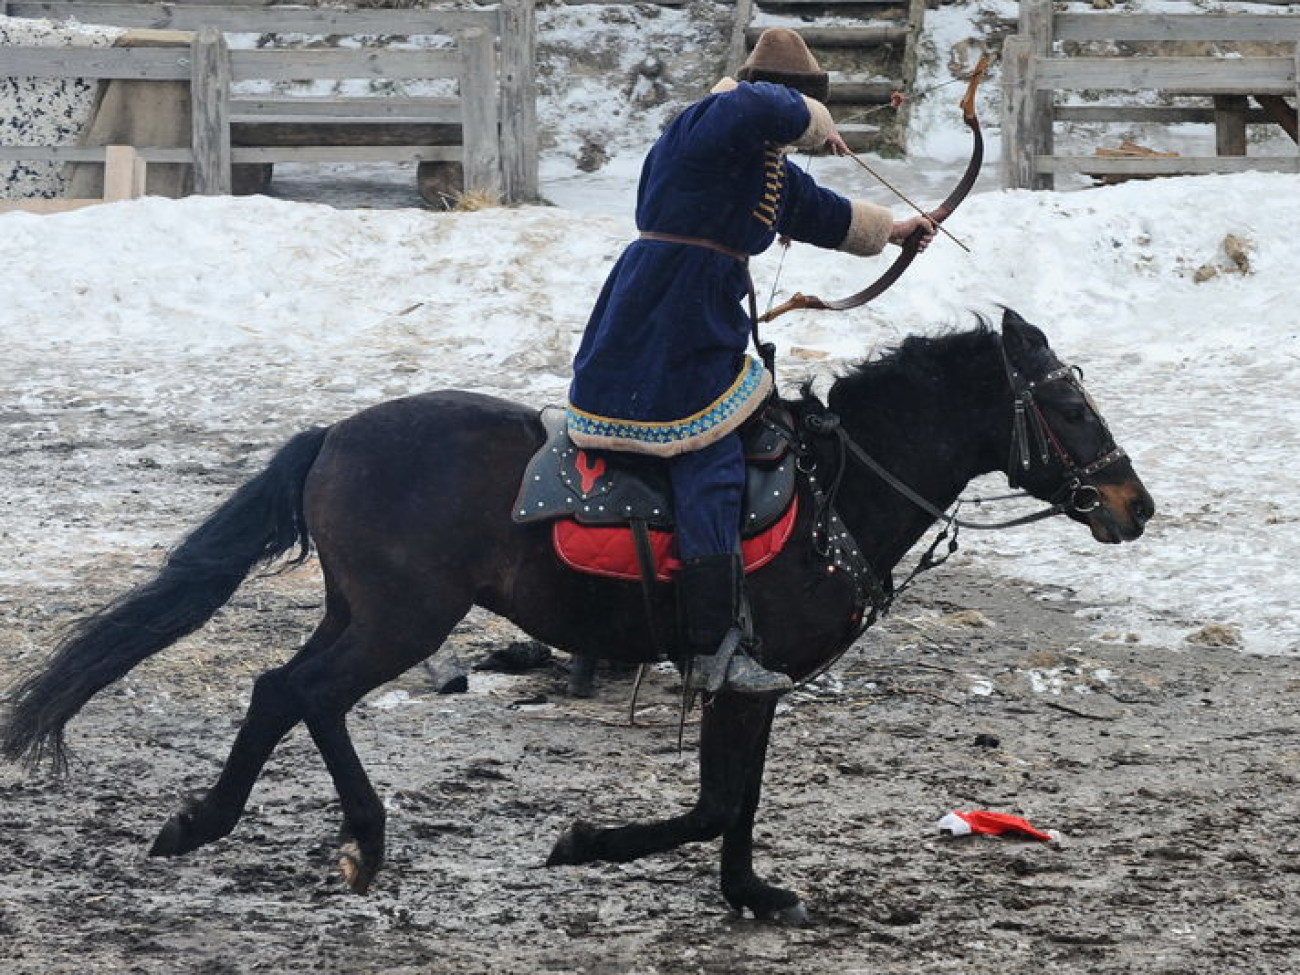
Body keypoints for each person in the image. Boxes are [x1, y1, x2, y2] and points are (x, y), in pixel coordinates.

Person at [565, 28, 937, 695]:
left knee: (713, 445)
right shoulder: (714, 120)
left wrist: (893, 231)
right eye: (800, 105)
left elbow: (812, 207)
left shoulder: (750, 154)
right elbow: (757, 106)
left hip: (689, 305)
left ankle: (612, 628)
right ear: (784, 96)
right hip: (669, 311)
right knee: (710, 456)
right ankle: (710, 646)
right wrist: (815, 120)